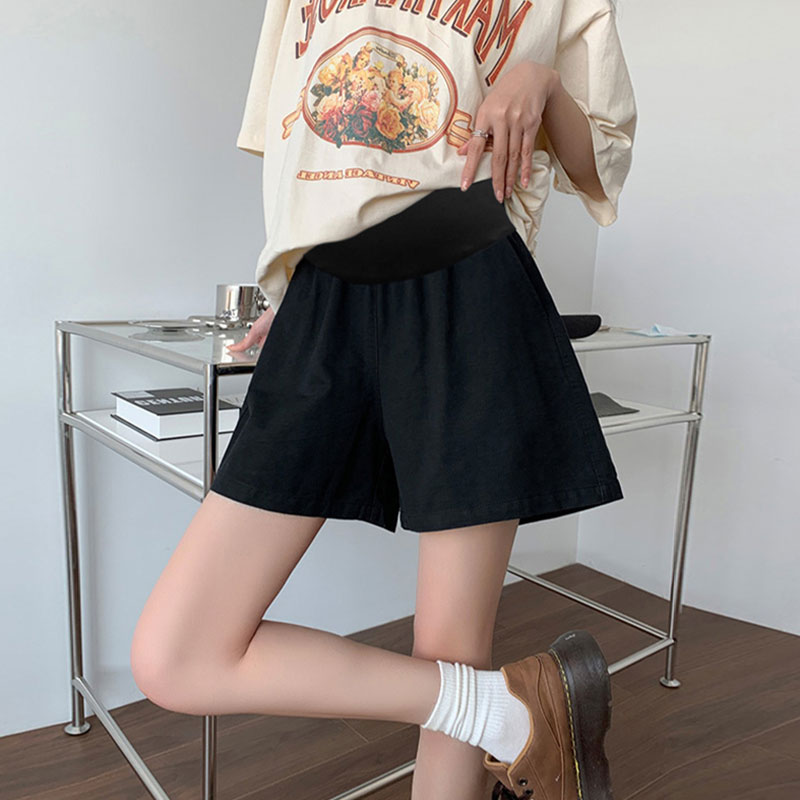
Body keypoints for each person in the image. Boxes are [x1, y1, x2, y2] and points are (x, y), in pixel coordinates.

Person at [130, 0, 637, 797]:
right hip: (322, 297)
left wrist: (541, 82)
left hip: (467, 277)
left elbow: (601, 158)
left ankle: (506, 713)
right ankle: (515, 711)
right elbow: (300, 147)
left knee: (450, 650)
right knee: (177, 655)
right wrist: (292, 290)